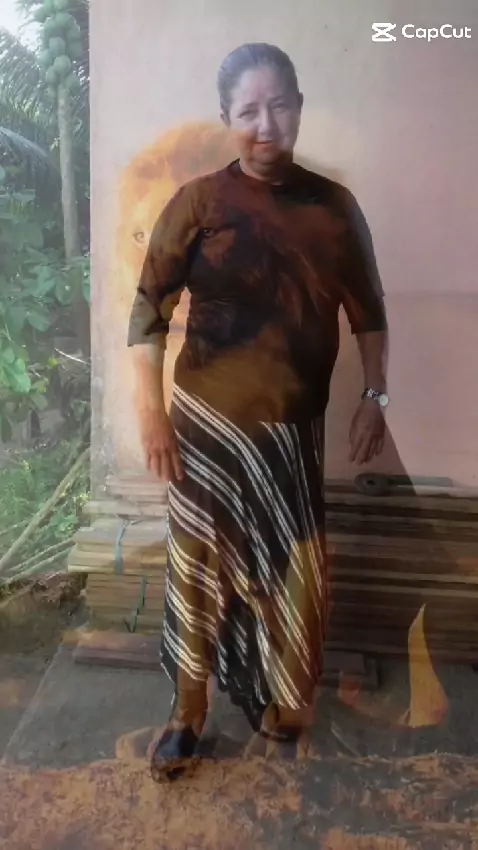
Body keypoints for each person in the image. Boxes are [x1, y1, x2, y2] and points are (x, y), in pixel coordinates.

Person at [127, 42, 389, 782]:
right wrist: (151, 415)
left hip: (291, 434)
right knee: (197, 571)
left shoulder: (335, 209)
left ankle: (282, 701)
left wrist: (376, 395)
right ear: (227, 118)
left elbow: (369, 312)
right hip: (205, 428)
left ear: (299, 107)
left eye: (279, 105)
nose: (265, 124)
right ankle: (187, 714)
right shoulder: (198, 204)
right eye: (248, 110)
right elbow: (147, 313)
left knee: (293, 571)